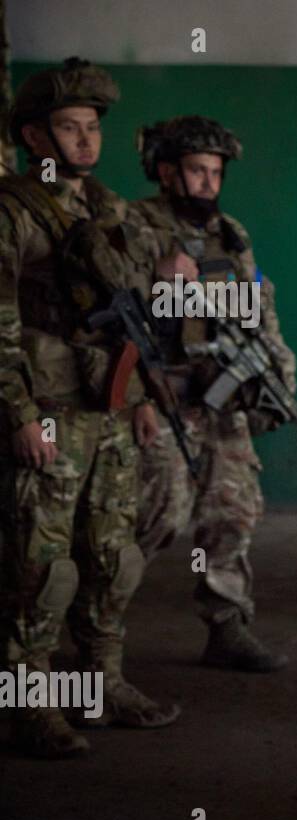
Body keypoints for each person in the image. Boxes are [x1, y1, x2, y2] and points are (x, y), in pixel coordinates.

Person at [0, 57, 181, 757]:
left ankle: (101, 681)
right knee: (43, 569)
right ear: (36, 138)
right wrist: (17, 412)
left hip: (106, 409)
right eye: (69, 128)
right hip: (46, 407)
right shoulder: (14, 209)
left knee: (114, 556)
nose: (84, 141)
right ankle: (30, 701)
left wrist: (137, 398)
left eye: (92, 128)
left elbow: (127, 318)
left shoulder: (107, 208)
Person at [130, 115, 296, 672]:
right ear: (166, 172)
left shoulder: (230, 234)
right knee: (157, 514)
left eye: (215, 172)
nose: (207, 182)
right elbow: (110, 308)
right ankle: (93, 627)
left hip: (222, 400)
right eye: (196, 171)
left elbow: (258, 307)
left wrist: (276, 374)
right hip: (162, 397)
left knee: (234, 511)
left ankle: (226, 626)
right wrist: (157, 279)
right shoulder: (135, 227)